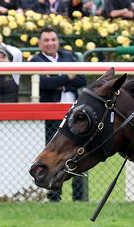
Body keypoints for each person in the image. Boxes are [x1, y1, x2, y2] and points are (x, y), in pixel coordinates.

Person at [30, 27, 88, 202]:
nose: (50, 43)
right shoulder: (35, 61)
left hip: (73, 117)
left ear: (58, 41)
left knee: (78, 154)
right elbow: (44, 84)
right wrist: (67, 77)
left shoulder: (68, 57)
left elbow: (82, 80)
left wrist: (59, 80)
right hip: (50, 117)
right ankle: (54, 195)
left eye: (53, 39)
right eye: (46, 40)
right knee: (53, 156)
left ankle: (79, 196)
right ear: (40, 43)